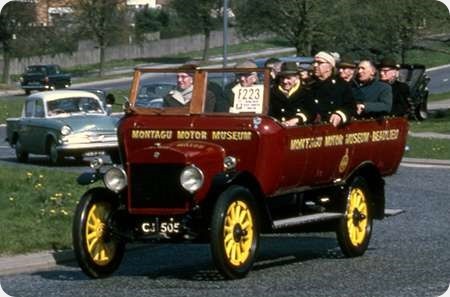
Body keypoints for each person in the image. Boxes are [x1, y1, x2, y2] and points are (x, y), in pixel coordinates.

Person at [304, 51, 356, 127]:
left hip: (334, 129)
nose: (315, 65)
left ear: (330, 66)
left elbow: (351, 107)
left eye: (319, 63)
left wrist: (340, 114)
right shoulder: (309, 85)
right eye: (314, 62)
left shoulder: (341, 85)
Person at [269, 61, 310, 126]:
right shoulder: (272, 93)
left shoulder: (306, 92)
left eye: (288, 78)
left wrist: (297, 119)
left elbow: (311, 112)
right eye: (282, 78)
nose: (285, 81)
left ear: (297, 78)